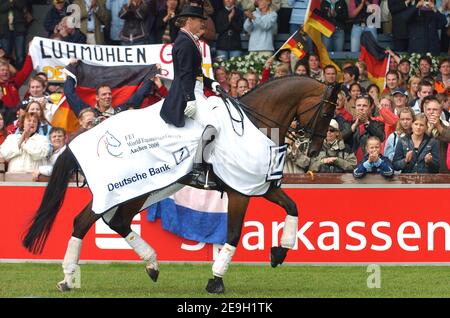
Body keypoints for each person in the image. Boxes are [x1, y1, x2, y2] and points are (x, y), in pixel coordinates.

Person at [159, 4, 221, 187]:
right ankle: (198, 170)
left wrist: (212, 83)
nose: (202, 23)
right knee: (213, 124)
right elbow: (186, 74)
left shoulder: (190, 40)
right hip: (190, 91)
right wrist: (190, 99)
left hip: (197, 88)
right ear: (189, 21)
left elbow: (196, 71)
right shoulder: (185, 42)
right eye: (199, 20)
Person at [350, 95, 385, 161]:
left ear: (370, 108)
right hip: (351, 163)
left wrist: (366, 122)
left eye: (364, 106)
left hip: (371, 162)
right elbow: (342, 139)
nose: (361, 108)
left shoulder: (378, 123)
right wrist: (354, 126)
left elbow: (381, 137)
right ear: (355, 107)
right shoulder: (348, 123)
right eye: (358, 105)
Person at [423, 95, 450, 172]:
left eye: (435, 109)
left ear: (440, 111)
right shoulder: (418, 126)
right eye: (429, 109)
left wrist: (438, 126)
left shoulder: (447, 127)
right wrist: (429, 129)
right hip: (424, 172)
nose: (431, 112)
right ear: (425, 111)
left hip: (443, 172)